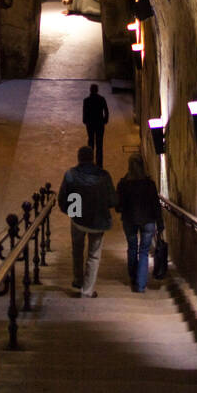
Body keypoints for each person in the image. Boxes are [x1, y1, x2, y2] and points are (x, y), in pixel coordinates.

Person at [58, 145, 117, 297]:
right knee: (94, 255)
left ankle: (77, 279)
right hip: (98, 220)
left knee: (77, 250)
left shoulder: (71, 174)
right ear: (92, 158)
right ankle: (87, 290)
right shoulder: (104, 176)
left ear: (79, 158)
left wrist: (71, 211)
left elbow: (63, 198)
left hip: (77, 217)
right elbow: (112, 200)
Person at [115, 154, 161, 293]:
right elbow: (156, 205)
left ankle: (133, 276)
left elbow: (118, 206)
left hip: (129, 220)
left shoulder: (123, 184)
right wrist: (161, 223)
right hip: (148, 221)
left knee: (132, 247)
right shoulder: (149, 184)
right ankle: (141, 285)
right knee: (144, 252)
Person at [82, 83, 109, 166]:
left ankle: (89, 162)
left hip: (90, 124)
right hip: (99, 124)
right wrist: (105, 120)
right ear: (97, 90)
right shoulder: (102, 99)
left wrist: (85, 121)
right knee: (99, 144)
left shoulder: (86, 100)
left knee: (91, 142)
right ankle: (99, 164)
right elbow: (106, 111)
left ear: (90, 90)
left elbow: (84, 112)